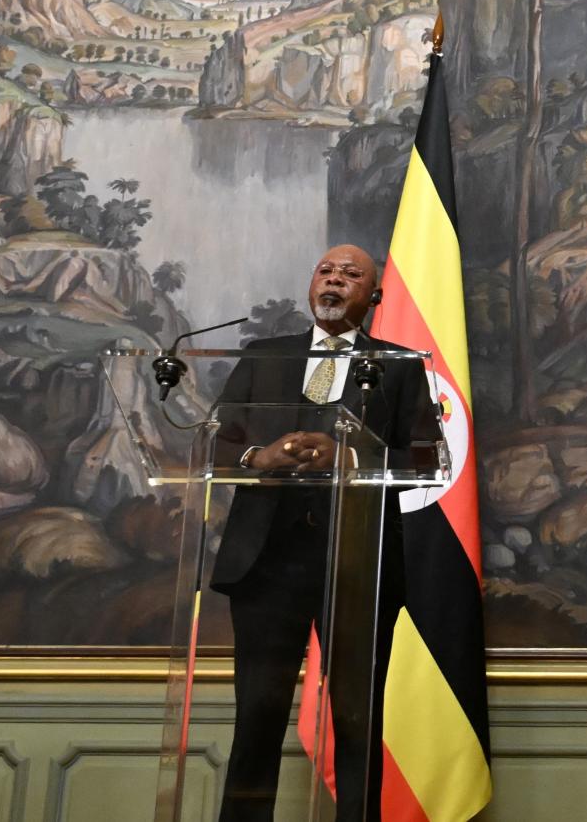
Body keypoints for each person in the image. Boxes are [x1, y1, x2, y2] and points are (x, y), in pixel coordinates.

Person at [210, 244, 439, 822]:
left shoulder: (400, 364)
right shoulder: (264, 357)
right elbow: (215, 442)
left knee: (357, 719)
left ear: (373, 296)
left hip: (359, 566)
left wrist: (350, 454)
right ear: (312, 285)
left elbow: (424, 463)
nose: (335, 280)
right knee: (258, 713)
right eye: (326, 271)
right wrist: (260, 455)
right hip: (265, 562)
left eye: (351, 274)